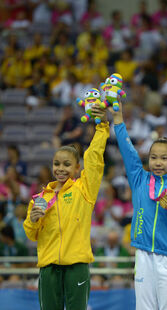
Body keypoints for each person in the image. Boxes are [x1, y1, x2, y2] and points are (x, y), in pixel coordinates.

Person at [109, 100, 167, 310]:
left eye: (164, 158)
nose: (158, 162)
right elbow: (128, 150)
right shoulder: (139, 179)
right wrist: (118, 119)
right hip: (142, 256)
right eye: (154, 157)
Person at [23, 105, 110, 310]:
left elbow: (94, 159)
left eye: (67, 164)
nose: (61, 169)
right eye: (57, 164)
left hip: (77, 267)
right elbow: (31, 234)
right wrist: (33, 221)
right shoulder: (40, 198)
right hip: (48, 268)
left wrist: (101, 127)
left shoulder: (84, 190)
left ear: (77, 168)